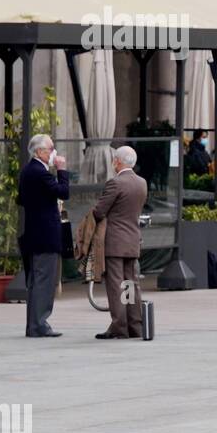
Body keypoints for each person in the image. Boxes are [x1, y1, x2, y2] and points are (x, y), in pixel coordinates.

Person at [91, 146, 148, 340]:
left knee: (116, 285)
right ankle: (135, 325)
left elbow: (99, 211)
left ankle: (119, 327)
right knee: (130, 284)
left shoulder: (115, 183)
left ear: (118, 161)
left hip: (115, 242)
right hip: (132, 240)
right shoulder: (142, 183)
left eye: (114, 159)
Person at [17, 134, 69, 338]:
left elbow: (21, 198)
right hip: (45, 234)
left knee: (36, 281)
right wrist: (62, 169)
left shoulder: (27, 171)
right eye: (50, 149)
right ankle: (39, 324)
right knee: (44, 281)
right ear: (39, 151)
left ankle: (34, 324)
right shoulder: (40, 172)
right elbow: (63, 192)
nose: (53, 152)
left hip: (33, 231)